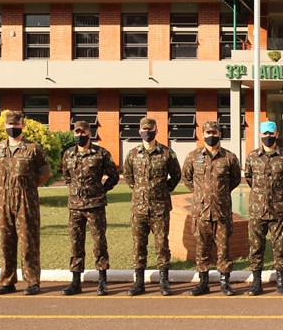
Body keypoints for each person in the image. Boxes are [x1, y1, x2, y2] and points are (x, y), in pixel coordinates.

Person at [0, 110, 52, 295]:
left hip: (26, 200)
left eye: (16, 125)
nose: (13, 128)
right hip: (2, 201)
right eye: (10, 125)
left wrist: (28, 188)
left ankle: (32, 281)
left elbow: (45, 173)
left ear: (23, 125)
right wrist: (6, 187)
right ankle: (7, 281)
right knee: (5, 242)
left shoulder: (33, 149)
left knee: (28, 242)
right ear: (5, 126)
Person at [122, 117, 181, 296]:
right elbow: (128, 177)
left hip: (160, 208)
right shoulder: (133, 154)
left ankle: (164, 281)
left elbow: (176, 175)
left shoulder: (166, 153)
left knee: (162, 244)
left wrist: (163, 190)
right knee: (139, 244)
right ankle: (139, 282)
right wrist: (141, 192)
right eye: (144, 129)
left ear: (156, 130)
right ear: (139, 131)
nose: (147, 132)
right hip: (139, 208)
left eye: (150, 129)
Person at [183, 120, 242, 296]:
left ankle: (225, 283)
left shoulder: (229, 157)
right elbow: (187, 178)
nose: (211, 136)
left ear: (219, 134)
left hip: (221, 212)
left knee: (224, 248)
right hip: (201, 212)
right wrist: (201, 195)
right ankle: (203, 283)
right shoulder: (193, 156)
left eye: (214, 133)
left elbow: (235, 179)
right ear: (203, 135)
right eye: (208, 133)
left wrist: (220, 194)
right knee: (202, 248)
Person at [60, 120, 119, 296]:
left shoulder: (101, 153)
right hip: (75, 207)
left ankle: (102, 281)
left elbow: (113, 176)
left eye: (82, 132)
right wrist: (74, 190)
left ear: (89, 134)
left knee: (99, 243)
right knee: (76, 243)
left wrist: (101, 189)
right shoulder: (68, 154)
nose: (79, 135)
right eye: (76, 133)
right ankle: (75, 281)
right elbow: (66, 176)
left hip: (95, 205)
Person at [243, 120, 283, 296]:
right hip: (257, 209)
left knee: (280, 246)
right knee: (256, 246)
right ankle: (256, 282)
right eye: (264, 134)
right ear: (260, 135)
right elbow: (249, 178)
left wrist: (279, 193)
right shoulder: (252, 156)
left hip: (278, 209)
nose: (268, 137)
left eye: (270, 133)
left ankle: (281, 282)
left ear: (276, 134)